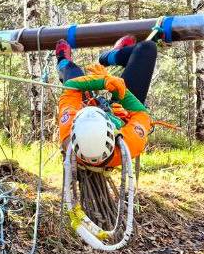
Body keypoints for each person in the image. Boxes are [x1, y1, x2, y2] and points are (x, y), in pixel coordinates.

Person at [56, 35, 157, 167]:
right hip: (122, 115)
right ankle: (112, 56)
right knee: (147, 48)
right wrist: (118, 89)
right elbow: (141, 113)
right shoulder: (130, 143)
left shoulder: (67, 130)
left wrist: (102, 81)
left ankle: (62, 60)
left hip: (86, 104)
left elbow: (71, 86)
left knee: (71, 69)